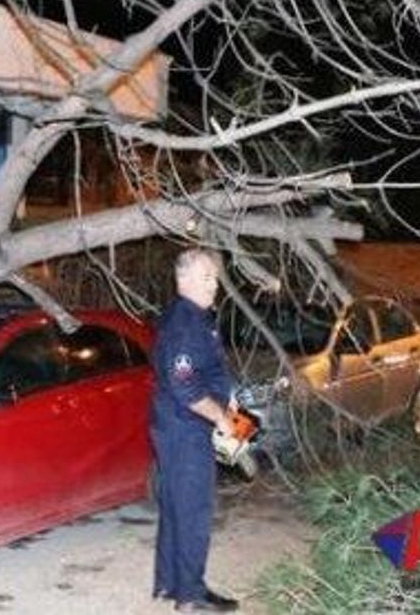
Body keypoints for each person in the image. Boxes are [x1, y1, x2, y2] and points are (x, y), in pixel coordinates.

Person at [150, 248, 240, 613]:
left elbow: (206, 372)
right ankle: (191, 596)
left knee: (176, 509)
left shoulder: (195, 317)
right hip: (185, 431)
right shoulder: (185, 324)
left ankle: (174, 585)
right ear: (182, 280)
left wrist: (228, 401)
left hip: (180, 429)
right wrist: (220, 417)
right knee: (193, 513)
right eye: (207, 277)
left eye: (215, 277)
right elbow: (185, 386)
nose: (214, 285)